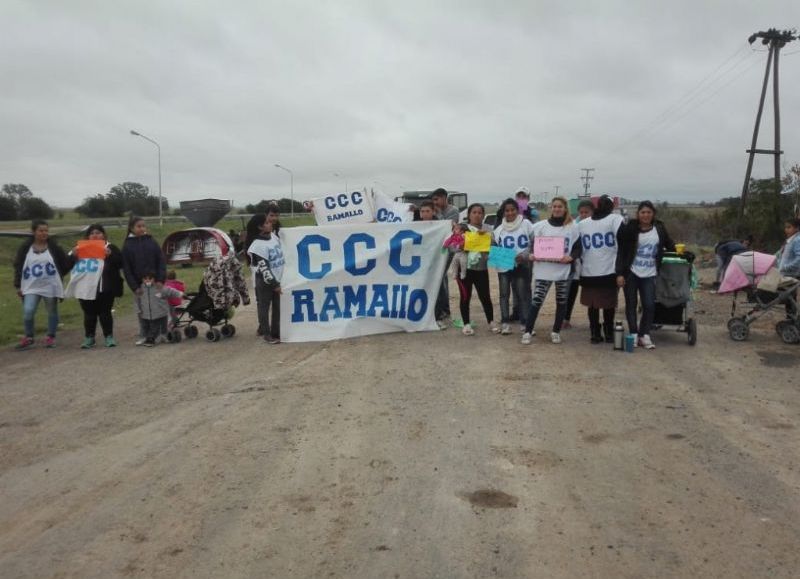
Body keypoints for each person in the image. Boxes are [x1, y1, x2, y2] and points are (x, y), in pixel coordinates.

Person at [616, 201, 676, 349]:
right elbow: (622, 249)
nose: (646, 215)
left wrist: (676, 252)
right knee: (631, 305)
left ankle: (645, 334)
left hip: (650, 273)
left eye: (649, 212)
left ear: (653, 214)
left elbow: (669, 244)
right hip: (631, 272)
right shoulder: (631, 227)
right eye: (643, 212)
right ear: (638, 214)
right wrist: (620, 273)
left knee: (649, 305)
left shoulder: (659, 228)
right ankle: (634, 334)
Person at [522, 196, 580, 345]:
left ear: (565, 208)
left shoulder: (573, 227)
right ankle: (528, 331)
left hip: (563, 270)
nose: (557, 209)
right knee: (537, 301)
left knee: (561, 302)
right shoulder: (540, 226)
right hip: (544, 270)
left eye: (560, 206)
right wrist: (530, 254)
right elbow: (530, 244)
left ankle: (555, 331)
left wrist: (572, 257)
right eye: (554, 206)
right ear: (550, 208)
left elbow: (578, 247)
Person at [13, 220, 73, 350]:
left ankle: (51, 336)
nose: (44, 233)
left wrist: (74, 257)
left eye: (46, 230)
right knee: (28, 311)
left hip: (50, 286)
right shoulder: (25, 248)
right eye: (41, 230)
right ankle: (29, 337)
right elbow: (18, 266)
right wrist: (18, 285)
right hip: (31, 286)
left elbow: (64, 264)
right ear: (34, 232)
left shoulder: (54, 247)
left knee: (52, 310)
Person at [67, 224, 124, 348]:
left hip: (105, 287)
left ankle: (109, 337)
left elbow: (120, 263)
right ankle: (89, 337)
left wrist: (110, 256)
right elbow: (66, 265)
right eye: (92, 233)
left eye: (98, 232)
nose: (95, 235)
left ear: (103, 235)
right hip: (85, 288)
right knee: (89, 314)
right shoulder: (79, 248)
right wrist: (73, 256)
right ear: (88, 236)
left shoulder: (110, 247)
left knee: (105, 313)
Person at [578, 195, 624, 343]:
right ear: (612, 207)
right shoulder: (615, 219)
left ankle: (595, 332)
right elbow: (623, 243)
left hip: (589, 271)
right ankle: (608, 332)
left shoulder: (583, 224)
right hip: (608, 270)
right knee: (608, 304)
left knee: (593, 305)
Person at [451, 203, 498, 335]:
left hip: (481, 268)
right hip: (464, 269)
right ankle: (466, 324)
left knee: (485, 296)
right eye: (474, 212)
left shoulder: (488, 229)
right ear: (469, 215)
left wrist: (487, 238)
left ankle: (491, 322)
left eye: (480, 213)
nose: (477, 215)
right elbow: (452, 246)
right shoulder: (462, 228)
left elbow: (495, 247)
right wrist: (462, 244)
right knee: (465, 296)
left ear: (483, 215)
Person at [122, 216, 166, 346]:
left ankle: (160, 333)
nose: (142, 228)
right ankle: (144, 334)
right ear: (131, 228)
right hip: (140, 286)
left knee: (158, 308)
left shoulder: (151, 241)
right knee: (142, 311)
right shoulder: (127, 245)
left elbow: (161, 261)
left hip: (155, 284)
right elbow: (127, 269)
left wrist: (160, 279)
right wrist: (135, 287)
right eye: (138, 226)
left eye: (143, 226)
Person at [493, 198, 535, 334]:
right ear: (503, 212)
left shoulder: (526, 224)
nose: (510, 213)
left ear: (517, 210)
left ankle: (525, 323)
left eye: (512, 210)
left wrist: (524, 255)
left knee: (523, 294)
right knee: (504, 294)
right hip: (504, 265)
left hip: (522, 264)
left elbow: (533, 242)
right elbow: (494, 247)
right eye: (507, 210)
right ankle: (505, 322)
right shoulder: (499, 229)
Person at [247, 213, 284, 344]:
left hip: (276, 279)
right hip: (265, 281)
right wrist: (275, 284)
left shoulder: (273, 236)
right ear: (260, 227)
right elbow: (264, 269)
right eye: (267, 223)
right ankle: (267, 334)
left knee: (277, 307)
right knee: (264, 307)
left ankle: (276, 332)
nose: (271, 224)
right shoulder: (257, 245)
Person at [563, 200, 593, 329]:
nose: (584, 214)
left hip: (592, 263)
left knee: (591, 293)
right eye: (582, 212)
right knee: (570, 293)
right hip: (575, 263)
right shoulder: (574, 225)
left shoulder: (595, 225)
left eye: (587, 212)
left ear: (592, 212)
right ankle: (566, 318)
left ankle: (593, 320)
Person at [135, 272, 183, 347]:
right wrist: (138, 310)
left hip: (160, 312)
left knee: (160, 326)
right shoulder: (140, 289)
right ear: (142, 279)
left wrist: (180, 294)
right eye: (145, 279)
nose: (147, 281)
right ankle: (144, 337)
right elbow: (137, 300)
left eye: (150, 279)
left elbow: (170, 291)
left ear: (154, 279)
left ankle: (158, 337)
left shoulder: (159, 287)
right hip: (146, 313)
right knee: (144, 326)